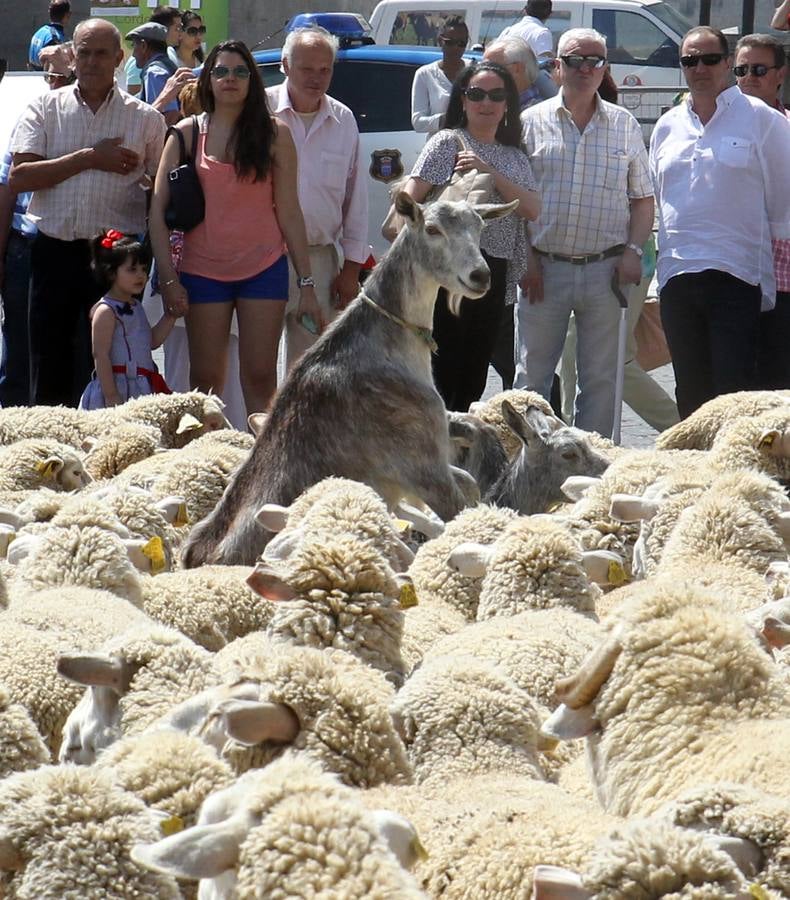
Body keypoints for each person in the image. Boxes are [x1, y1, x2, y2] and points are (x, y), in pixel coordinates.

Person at [149, 40, 318, 417]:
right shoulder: (185, 134)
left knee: (260, 378)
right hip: (202, 271)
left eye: (240, 72)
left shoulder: (276, 134)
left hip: (264, 269)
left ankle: (264, 464)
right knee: (206, 383)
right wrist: (169, 279)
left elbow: (289, 211)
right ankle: (209, 464)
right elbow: (157, 213)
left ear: (252, 82)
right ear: (208, 79)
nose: (230, 79)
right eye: (221, 71)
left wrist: (306, 283)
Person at [10, 18, 166, 408]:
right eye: (84, 52)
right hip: (54, 252)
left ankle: (111, 453)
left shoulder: (145, 119)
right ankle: (49, 457)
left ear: (119, 58)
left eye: (101, 53)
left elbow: (161, 193)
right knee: (49, 365)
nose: (92, 61)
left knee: (116, 365)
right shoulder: (44, 108)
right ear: (72, 57)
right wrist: (90, 158)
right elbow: (20, 177)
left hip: (114, 259)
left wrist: (154, 258)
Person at [515, 28, 654, 438]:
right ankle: (528, 472)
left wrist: (632, 251)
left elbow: (643, 200)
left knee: (601, 382)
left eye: (595, 60)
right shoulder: (529, 123)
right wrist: (527, 258)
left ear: (605, 68)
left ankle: (592, 477)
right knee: (531, 383)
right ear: (557, 67)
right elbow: (513, 205)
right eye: (575, 60)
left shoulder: (624, 125)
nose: (585, 68)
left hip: (605, 271)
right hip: (544, 271)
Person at [649, 26, 790, 419]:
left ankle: (733, 478)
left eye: (710, 59)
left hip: (738, 275)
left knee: (733, 393)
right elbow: (660, 197)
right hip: (677, 273)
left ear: (728, 63)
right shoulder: (667, 126)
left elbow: (783, 205)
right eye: (689, 60)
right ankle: (696, 476)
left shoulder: (763, 120)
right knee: (690, 393)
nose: (700, 68)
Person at [403, 60, 541, 412]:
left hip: (491, 273)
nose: (486, 103)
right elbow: (408, 201)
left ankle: (458, 454)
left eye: (497, 95)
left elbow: (531, 208)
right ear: (462, 100)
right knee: (440, 374)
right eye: (477, 94)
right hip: (447, 273)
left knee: (474, 376)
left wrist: (487, 171)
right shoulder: (447, 143)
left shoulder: (514, 156)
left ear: (508, 104)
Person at [267, 27, 369, 371]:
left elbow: (356, 199)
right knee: (256, 368)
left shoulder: (343, 119)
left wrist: (351, 270)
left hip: (320, 262)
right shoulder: (259, 110)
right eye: (306, 68)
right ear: (285, 65)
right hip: (262, 259)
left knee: (310, 370)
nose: (316, 78)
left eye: (324, 69)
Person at [0, 49, 75, 408]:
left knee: (69, 354)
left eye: (62, 77)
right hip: (25, 245)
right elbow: (6, 187)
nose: (54, 84)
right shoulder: (31, 119)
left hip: (75, 249)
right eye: (49, 77)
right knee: (19, 353)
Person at [484, 35, 542, 389]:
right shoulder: (509, 114)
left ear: (516, 71)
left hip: (521, 257)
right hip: (496, 258)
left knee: (522, 362)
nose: (485, 76)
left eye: (494, 68)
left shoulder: (529, 119)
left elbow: (530, 201)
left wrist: (530, 258)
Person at [733, 33, 790, 391]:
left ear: (780, 74)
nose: (749, 77)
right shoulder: (712, 129)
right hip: (735, 276)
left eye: (759, 69)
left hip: (784, 281)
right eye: (741, 69)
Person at [79, 230, 175, 409]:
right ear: (111, 273)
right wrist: (111, 395)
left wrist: (170, 316)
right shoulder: (106, 311)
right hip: (117, 387)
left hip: (140, 388)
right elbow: (100, 355)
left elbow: (151, 341)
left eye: (144, 269)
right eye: (132, 269)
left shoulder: (137, 306)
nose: (141, 275)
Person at [411, 17, 469, 135]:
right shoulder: (425, 74)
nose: (456, 47)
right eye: (450, 42)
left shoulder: (476, 70)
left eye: (461, 43)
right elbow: (418, 122)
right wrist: (447, 119)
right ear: (440, 41)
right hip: (440, 146)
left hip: (473, 147)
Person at [125, 22, 180, 124]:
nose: (133, 54)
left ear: (143, 45)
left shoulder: (154, 72)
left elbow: (171, 115)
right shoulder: (166, 65)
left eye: (134, 46)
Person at [28, 0, 70, 71]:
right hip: (43, 79)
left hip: (32, 75)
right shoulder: (54, 38)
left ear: (50, 13)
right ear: (67, 15)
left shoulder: (40, 31)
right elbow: (55, 68)